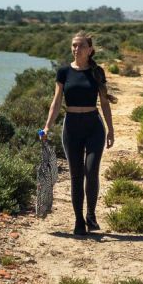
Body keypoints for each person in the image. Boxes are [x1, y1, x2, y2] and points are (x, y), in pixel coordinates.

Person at [44, 31, 116, 236]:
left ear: (90, 50)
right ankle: (78, 220)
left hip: (94, 126)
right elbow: (56, 102)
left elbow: (104, 102)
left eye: (81, 46)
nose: (77, 49)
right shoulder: (64, 72)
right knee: (76, 176)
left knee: (91, 170)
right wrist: (48, 126)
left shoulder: (97, 72)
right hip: (72, 127)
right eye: (74, 45)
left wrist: (111, 129)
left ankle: (91, 215)